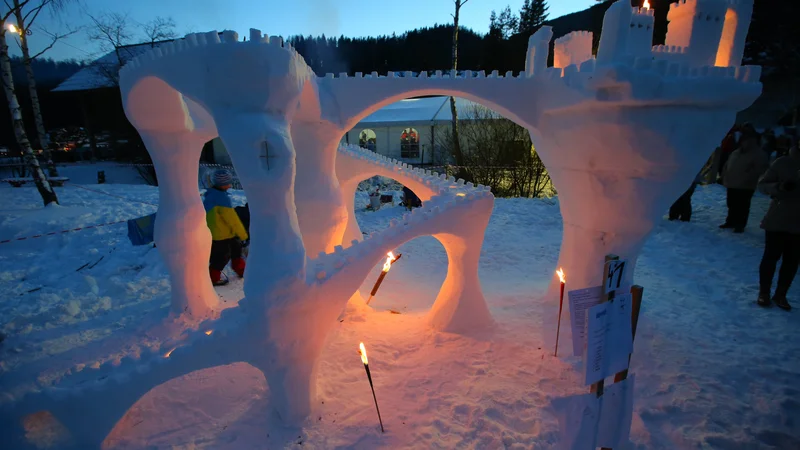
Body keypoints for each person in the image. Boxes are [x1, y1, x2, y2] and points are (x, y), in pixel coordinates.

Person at [756, 141, 800, 310]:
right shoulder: (783, 162)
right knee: (770, 257)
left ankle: (781, 294)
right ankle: (764, 292)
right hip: (778, 219)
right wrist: (779, 187)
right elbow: (762, 185)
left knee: (792, 261)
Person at [203, 169, 249, 286]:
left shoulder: (211, 195)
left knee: (236, 249)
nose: (230, 184)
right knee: (222, 257)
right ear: (223, 184)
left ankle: (242, 270)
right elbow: (232, 220)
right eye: (229, 182)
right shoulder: (222, 199)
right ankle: (213, 277)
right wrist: (243, 234)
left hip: (221, 233)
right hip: (221, 235)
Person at [720, 129, 770, 233]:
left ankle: (740, 224)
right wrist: (724, 173)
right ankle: (730, 221)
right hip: (732, 183)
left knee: (742, 205)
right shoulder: (736, 152)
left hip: (745, 184)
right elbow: (728, 164)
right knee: (731, 203)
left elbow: (761, 169)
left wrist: (749, 174)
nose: (743, 142)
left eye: (746, 140)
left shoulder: (758, 154)